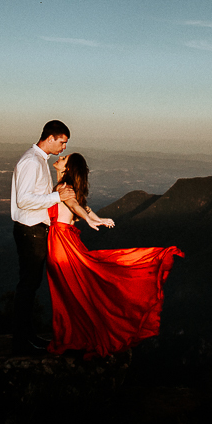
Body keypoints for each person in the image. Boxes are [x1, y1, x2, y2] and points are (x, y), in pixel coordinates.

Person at [45, 152, 183, 359]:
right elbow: (81, 206)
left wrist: (91, 220)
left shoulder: (63, 188)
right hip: (65, 240)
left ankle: (73, 337)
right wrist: (95, 218)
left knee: (67, 291)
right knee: (75, 290)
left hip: (61, 242)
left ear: (68, 168)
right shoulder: (66, 187)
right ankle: (77, 335)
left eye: (64, 158)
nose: (60, 157)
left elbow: (75, 206)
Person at [11, 119, 76, 355]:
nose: (64, 148)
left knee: (31, 284)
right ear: (50, 138)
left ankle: (26, 336)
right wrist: (57, 198)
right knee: (28, 285)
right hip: (30, 230)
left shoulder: (38, 160)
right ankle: (21, 341)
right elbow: (24, 200)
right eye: (62, 142)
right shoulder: (31, 161)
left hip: (35, 228)